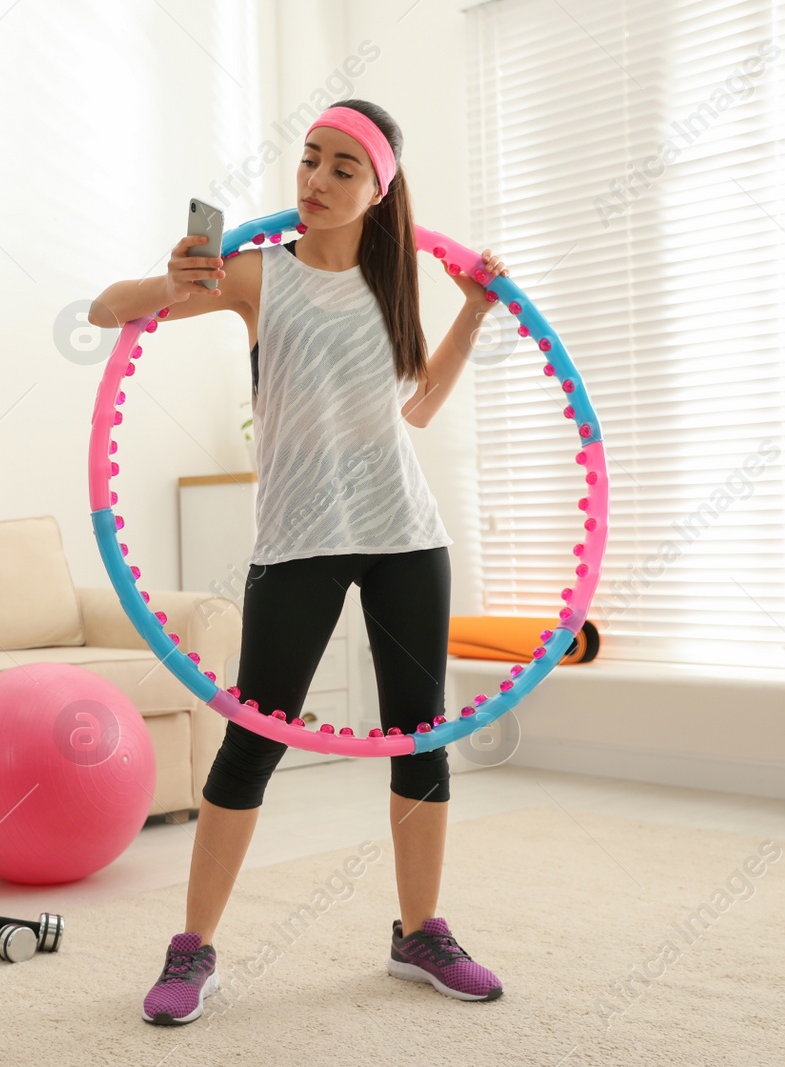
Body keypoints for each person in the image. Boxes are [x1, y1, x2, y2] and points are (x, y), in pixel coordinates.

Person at [88, 99, 510, 1026]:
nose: (315, 181)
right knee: (253, 740)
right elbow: (104, 310)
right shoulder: (252, 277)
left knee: (420, 736)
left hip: (405, 533)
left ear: (378, 191)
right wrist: (174, 276)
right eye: (309, 160)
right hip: (298, 540)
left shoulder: (394, 281)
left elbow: (421, 408)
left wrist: (473, 314)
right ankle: (191, 947)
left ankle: (420, 931)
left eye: (340, 169)